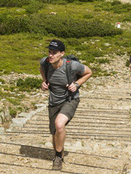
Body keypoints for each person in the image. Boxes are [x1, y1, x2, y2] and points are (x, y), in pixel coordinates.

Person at [40, 39, 92, 170]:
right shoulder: (44, 63)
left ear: (62, 53)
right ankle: (60, 155)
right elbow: (41, 69)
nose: (50, 55)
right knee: (54, 132)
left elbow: (89, 72)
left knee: (59, 124)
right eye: (49, 52)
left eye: (54, 53)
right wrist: (44, 81)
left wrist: (77, 84)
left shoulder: (72, 65)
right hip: (54, 101)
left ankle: (57, 158)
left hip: (70, 99)